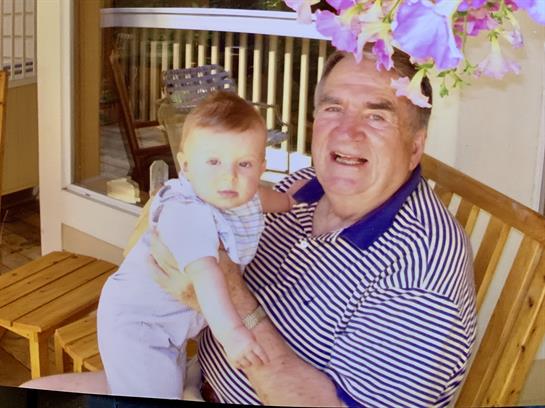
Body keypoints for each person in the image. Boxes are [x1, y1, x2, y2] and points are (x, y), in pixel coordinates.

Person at [22, 47, 477, 407]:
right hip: (191, 376)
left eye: (377, 115)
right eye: (333, 109)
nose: (347, 132)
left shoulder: (421, 271)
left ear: (415, 147)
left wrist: (231, 293)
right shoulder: (305, 186)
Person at [96, 91, 297, 399]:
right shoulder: (188, 212)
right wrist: (233, 335)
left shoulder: (240, 195)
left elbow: (264, 199)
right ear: (186, 166)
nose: (229, 176)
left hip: (170, 323)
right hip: (139, 327)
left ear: (261, 167)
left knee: (167, 383)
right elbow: (206, 276)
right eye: (213, 161)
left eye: (244, 164)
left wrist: (291, 201)